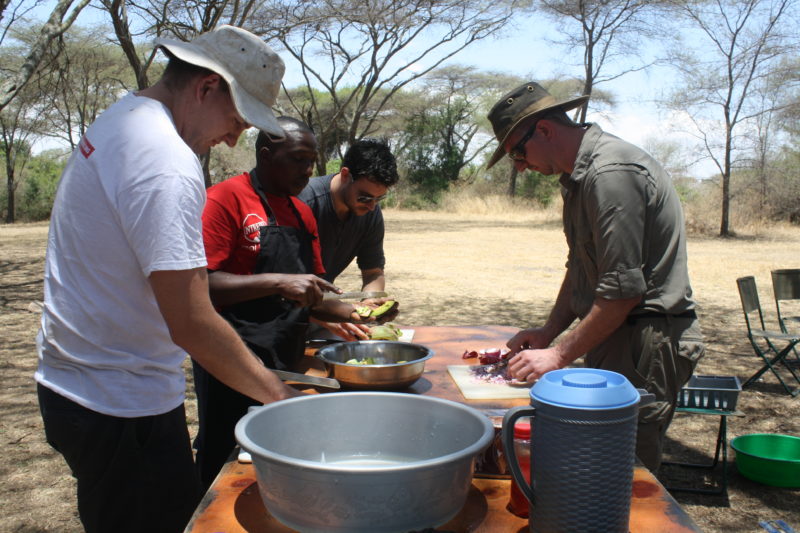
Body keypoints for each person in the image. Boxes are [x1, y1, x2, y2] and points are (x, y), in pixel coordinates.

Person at [34, 26, 302, 533]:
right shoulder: (165, 161)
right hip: (116, 400)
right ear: (205, 87)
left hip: (80, 385)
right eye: (237, 118)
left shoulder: (120, 120)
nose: (234, 136)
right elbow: (193, 322)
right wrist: (279, 397)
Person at [486, 81, 705, 472]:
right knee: (599, 465)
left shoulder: (610, 174)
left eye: (517, 152)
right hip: (615, 335)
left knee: (627, 475)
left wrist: (557, 355)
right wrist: (548, 331)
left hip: (644, 341)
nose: (519, 165)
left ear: (547, 130)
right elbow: (581, 268)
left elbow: (622, 294)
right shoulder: (577, 179)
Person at [195, 117, 379, 487]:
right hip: (231, 354)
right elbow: (203, 286)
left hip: (286, 352)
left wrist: (357, 313)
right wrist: (278, 281)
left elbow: (309, 295)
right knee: (224, 455)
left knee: (277, 455)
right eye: (298, 159)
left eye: (312, 161)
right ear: (266, 154)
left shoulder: (301, 212)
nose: (308, 170)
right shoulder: (224, 199)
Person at [298, 138, 400, 341]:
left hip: (324, 312)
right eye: (364, 197)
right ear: (345, 175)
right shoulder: (303, 203)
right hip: (285, 317)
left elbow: (373, 272)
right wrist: (334, 315)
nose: (371, 206)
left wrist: (370, 303)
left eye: (379, 199)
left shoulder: (370, 214)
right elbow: (282, 285)